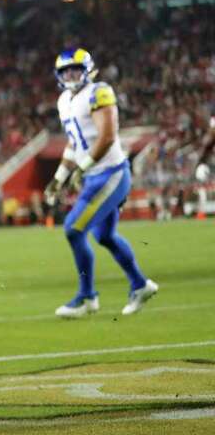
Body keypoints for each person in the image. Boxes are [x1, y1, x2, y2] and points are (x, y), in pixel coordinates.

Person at [44, 48, 157, 318]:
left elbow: (106, 137)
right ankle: (140, 284)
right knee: (103, 235)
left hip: (112, 173)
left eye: (75, 69)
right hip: (96, 175)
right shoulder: (64, 101)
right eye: (65, 71)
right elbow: (75, 144)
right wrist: (59, 177)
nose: (70, 75)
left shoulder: (98, 92)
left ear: (88, 70)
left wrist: (80, 170)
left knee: (73, 228)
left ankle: (87, 297)